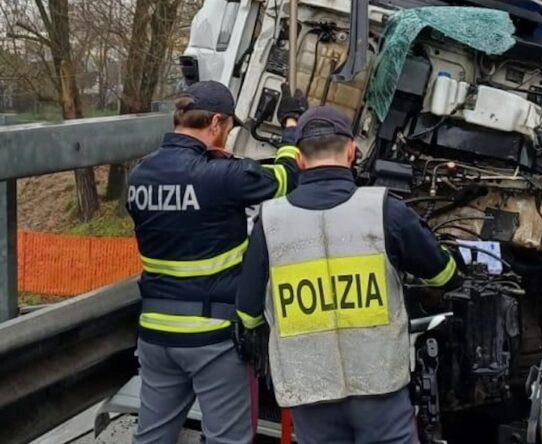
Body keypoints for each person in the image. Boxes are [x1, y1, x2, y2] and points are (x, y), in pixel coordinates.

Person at [235, 105, 460, 444]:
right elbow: (443, 274)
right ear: (353, 152)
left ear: (298, 160)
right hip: (379, 388)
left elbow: (248, 314)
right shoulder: (385, 209)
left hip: (309, 392)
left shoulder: (269, 221)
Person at [127, 80, 307, 444]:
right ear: (215, 123)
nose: (226, 135)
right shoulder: (223, 177)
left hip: (155, 334)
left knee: (152, 437)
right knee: (227, 439)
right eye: (228, 128)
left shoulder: (139, 177)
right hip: (210, 337)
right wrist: (291, 127)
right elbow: (287, 178)